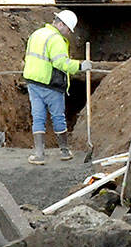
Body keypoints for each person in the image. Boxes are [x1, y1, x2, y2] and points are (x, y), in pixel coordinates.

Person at [22, 10, 91, 164]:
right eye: (68, 29)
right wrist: (80, 66)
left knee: (38, 117)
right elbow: (61, 63)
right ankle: (64, 151)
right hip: (51, 83)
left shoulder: (36, 34)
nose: (68, 33)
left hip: (33, 82)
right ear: (61, 24)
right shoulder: (56, 40)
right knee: (58, 116)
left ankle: (39, 154)